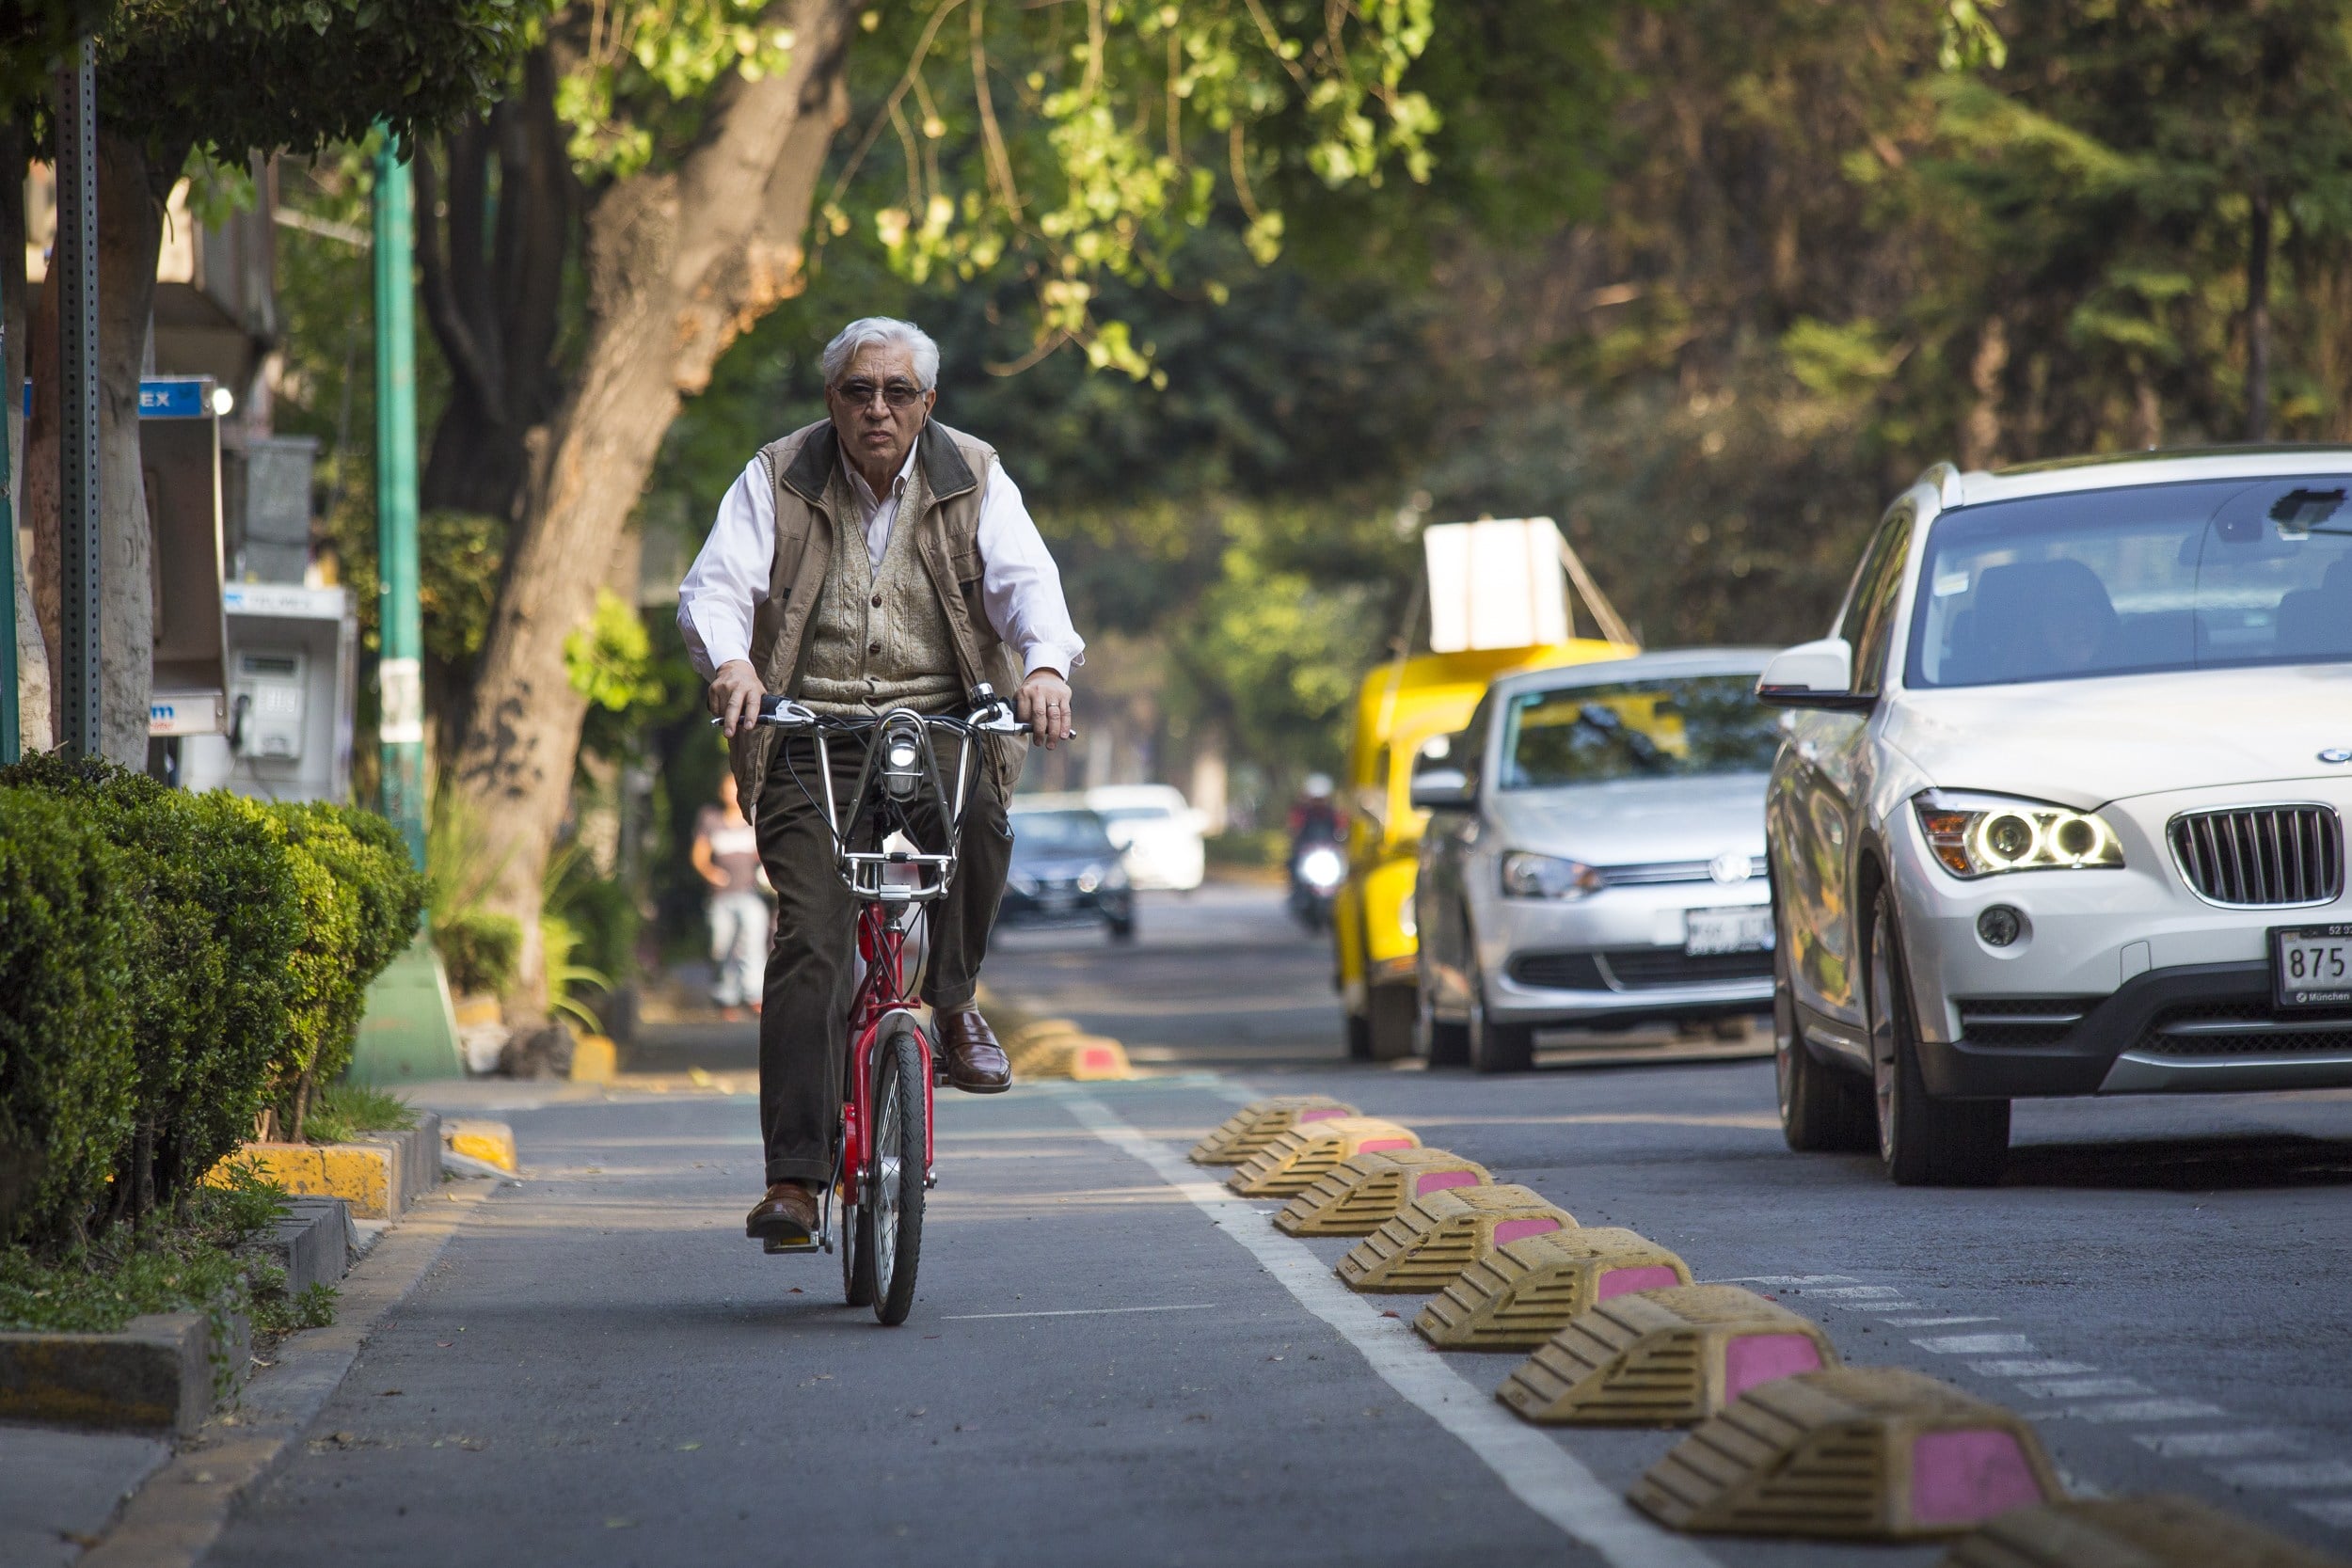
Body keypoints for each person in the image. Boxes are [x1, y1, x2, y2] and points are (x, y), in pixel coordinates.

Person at [676, 316, 1085, 1247]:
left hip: (934, 722)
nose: (877, 408)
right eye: (859, 391)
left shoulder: (974, 472)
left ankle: (951, 999)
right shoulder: (777, 471)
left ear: (926, 405)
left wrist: (1048, 668)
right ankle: (794, 1177)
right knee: (811, 935)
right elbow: (715, 587)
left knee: (980, 818)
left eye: (898, 393)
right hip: (804, 731)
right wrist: (732, 662)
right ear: (832, 399)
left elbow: (1029, 587)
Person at [691, 770, 770, 1019]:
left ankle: (754, 995)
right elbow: (699, 855)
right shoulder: (710, 819)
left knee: (753, 943)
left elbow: (765, 851)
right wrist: (710, 873)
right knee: (722, 946)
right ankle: (726, 995)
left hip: (750, 893)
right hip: (721, 896)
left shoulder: (753, 820)